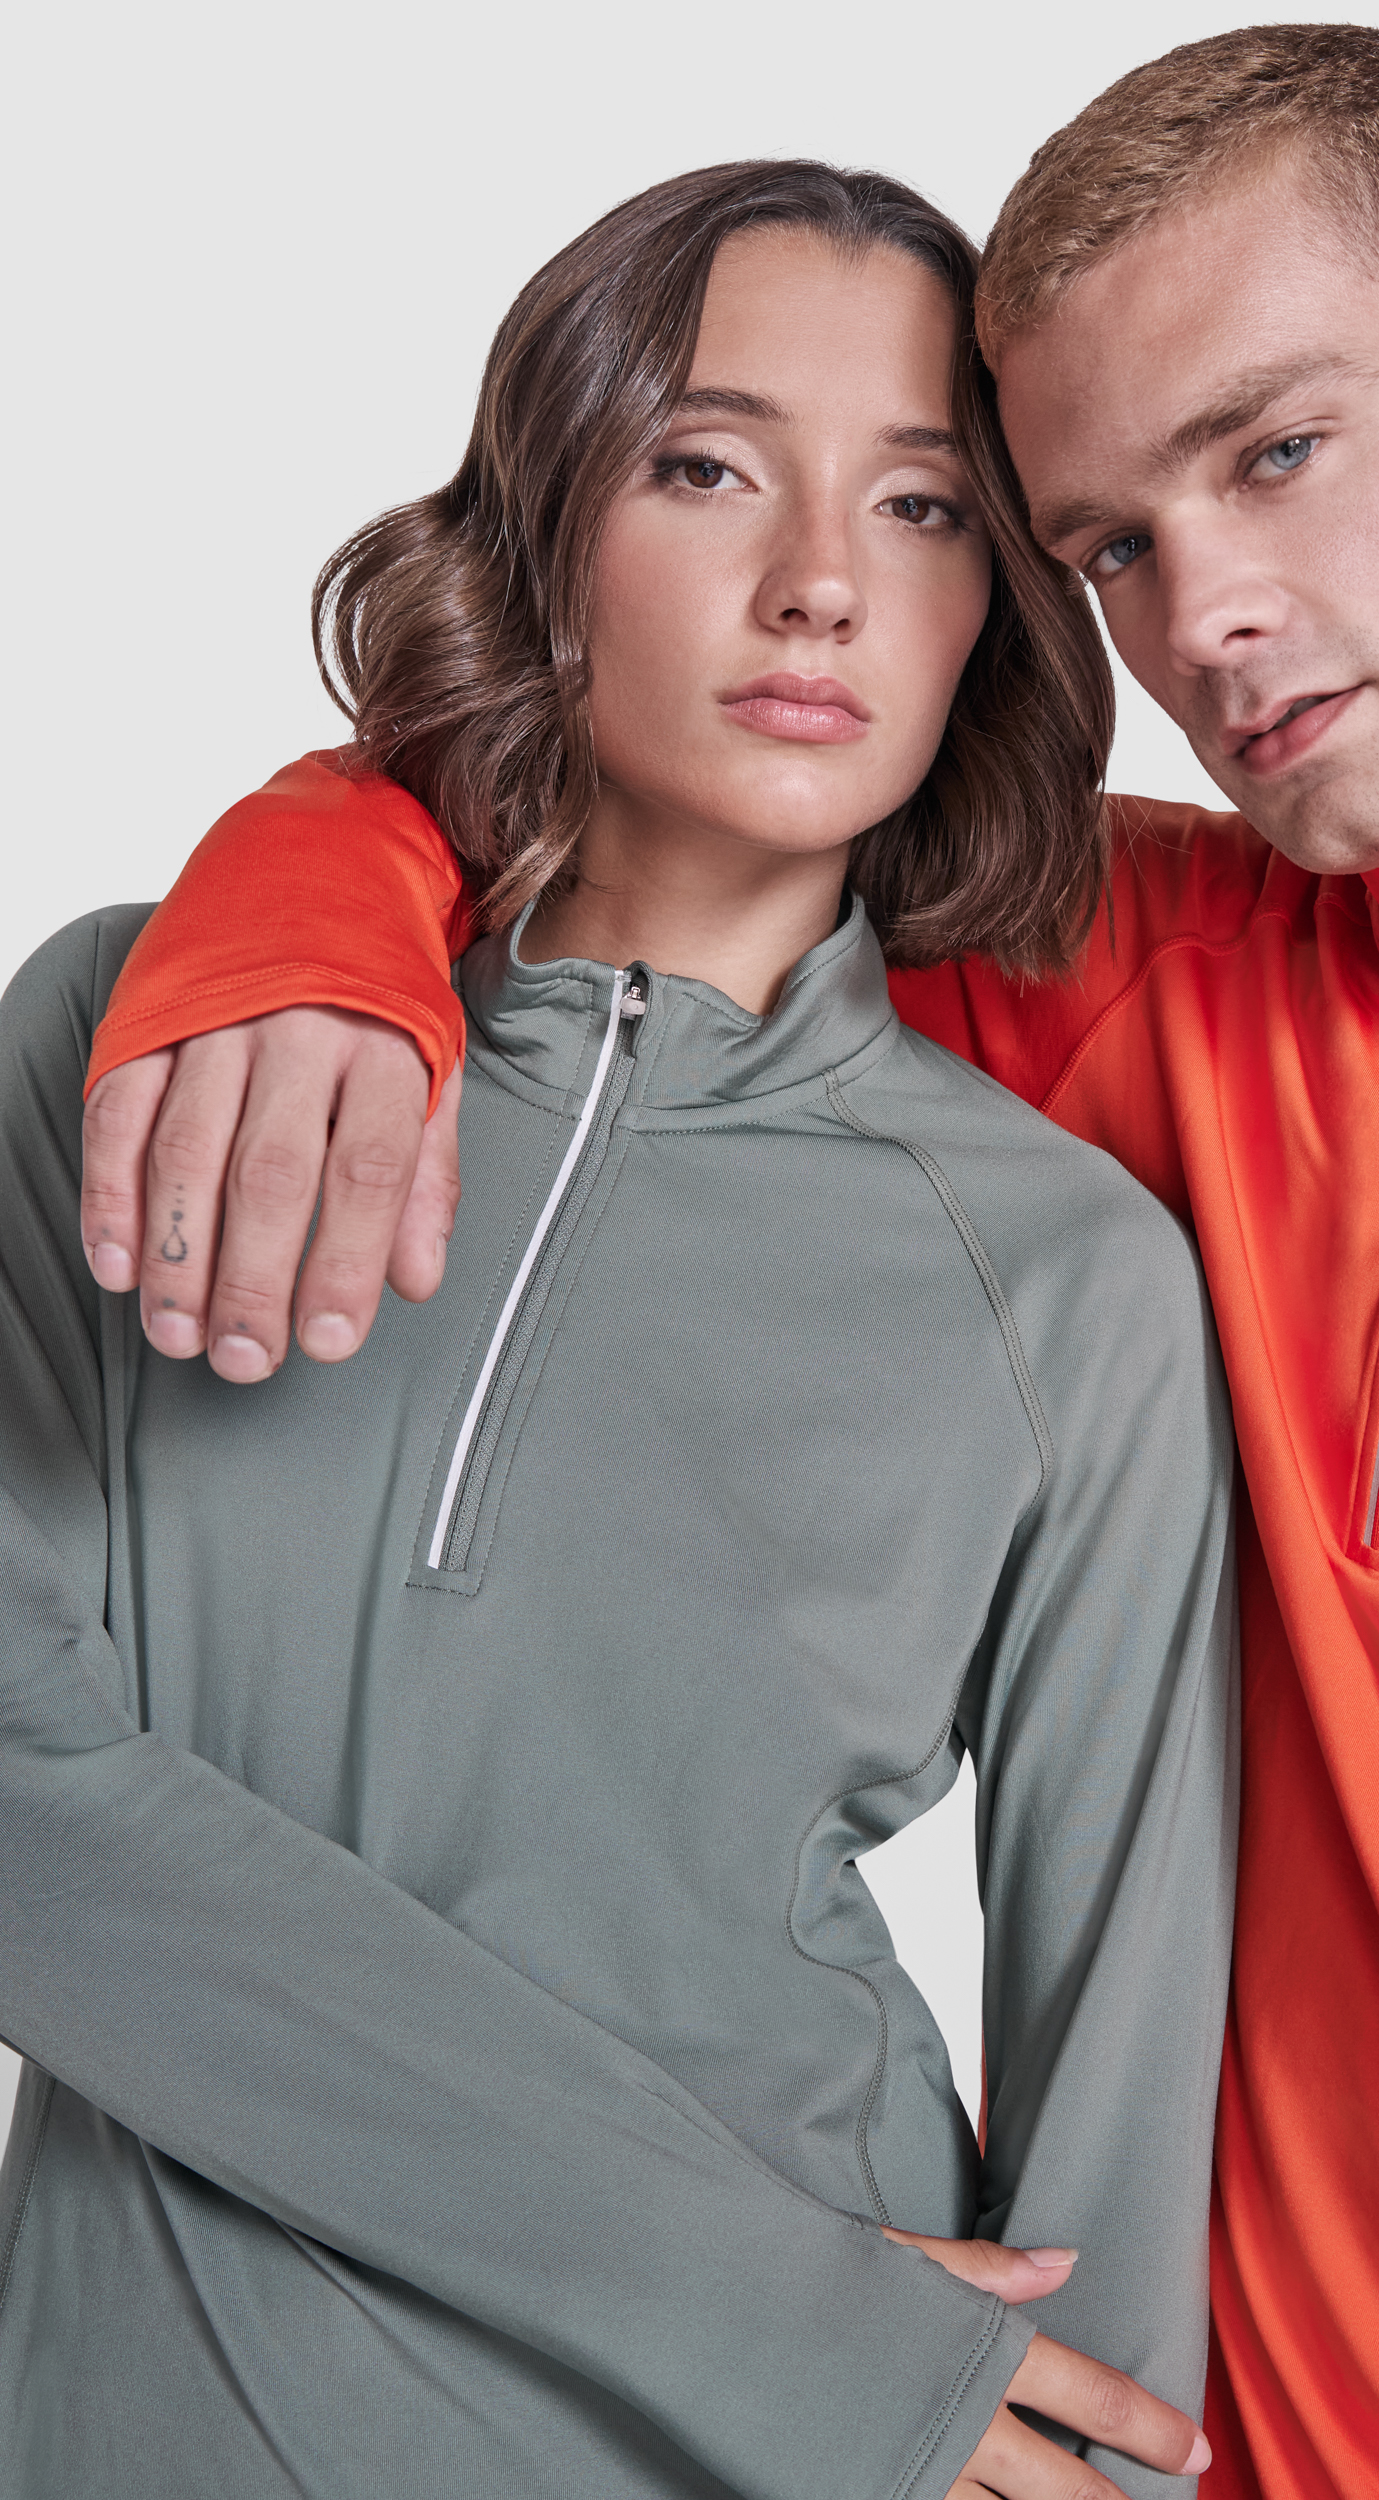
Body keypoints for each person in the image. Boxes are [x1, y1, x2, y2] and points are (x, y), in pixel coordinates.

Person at [63, 21, 1379, 2497]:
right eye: (1104, 544)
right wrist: (300, 895)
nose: (1207, 621)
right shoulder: (1134, 956)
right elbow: (641, 809)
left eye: (1274, 451)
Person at [0, 160, 1240, 2500]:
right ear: (542, 522)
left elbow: (1122, 2064)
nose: (820, 579)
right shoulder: (143, 1039)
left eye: (924, 504)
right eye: (706, 466)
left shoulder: (1063, 1271)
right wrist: (755, 2300)